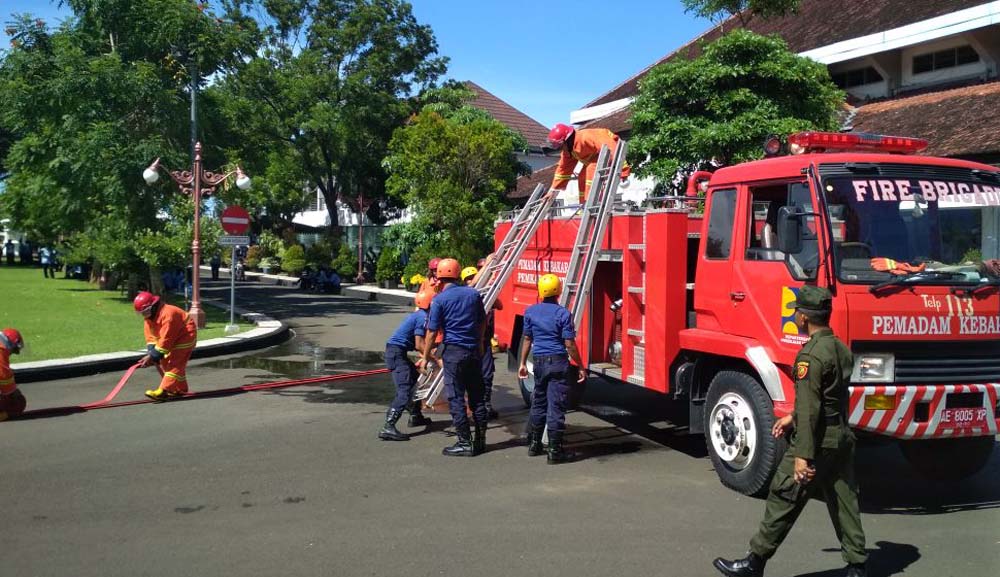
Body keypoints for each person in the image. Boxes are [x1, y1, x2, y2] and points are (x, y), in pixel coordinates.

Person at [713, 286, 866, 577]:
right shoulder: (839, 348)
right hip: (841, 438)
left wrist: (802, 457)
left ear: (805, 317)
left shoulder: (810, 356)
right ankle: (857, 567)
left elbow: (811, 408)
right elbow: (829, 397)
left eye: (796, 310)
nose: (793, 314)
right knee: (845, 501)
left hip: (816, 440)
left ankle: (753, 563)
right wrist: (792, 418)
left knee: (783, 497)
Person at [421, 258, 487, 457]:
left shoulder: (439, 300)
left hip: (453, 353)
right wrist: (481, 343)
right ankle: (480, 440)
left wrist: (425, 356)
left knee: (456, 397)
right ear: (458, 275)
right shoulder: (473, 294)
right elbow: (482, 321)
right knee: (477, 396)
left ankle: (464, 442)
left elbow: (432, 332)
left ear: (439, 278)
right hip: (473, 351)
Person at [517, 274, 585, 464]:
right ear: (559, 290)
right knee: (555, 405)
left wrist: (522, 363)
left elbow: (528, 340)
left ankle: (534, 444)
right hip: (557, 362)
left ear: (540, 291)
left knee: (538, 403)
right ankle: (555, 450)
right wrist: (580, 366)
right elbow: (569, 344)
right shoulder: (563, 314)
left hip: (538, 362)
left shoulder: (530, 312)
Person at [379, 291, 434, 441]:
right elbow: (419, 344)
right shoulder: (423, 317)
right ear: (430, 304)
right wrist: (434, 357)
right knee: (404, 390)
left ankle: (416, 415)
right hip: (396, 354)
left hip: (396, 352)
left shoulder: (419, 315)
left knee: (415, 380)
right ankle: (388, 426)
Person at [134, 291, 198, 402]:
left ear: (153, 307)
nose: (144, 316)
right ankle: (180, 388)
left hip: (185, 335)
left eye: (145, 312)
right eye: (142, 313)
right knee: (165, 362)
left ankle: (164, 390)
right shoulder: (149, 318)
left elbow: (166, 339)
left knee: (174, 364)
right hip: (171, 337)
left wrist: (153, 356)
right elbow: (151, 336)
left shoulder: (168, 314)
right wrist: (152, 353)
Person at [547, 123, 630, 204]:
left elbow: (612, 149)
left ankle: (593, 204)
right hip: (598, 157)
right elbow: (562, 170)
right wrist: (552, 190)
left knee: (591, 169)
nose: (560, 148)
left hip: (611, 151)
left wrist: (623, 173)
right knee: (582, 175)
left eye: (559, 145)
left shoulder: (586, 137)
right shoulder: (569, 150)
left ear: (567, 140)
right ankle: (584, 205)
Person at [462, 264, 500, 419]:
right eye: (468, 278)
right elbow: (473, 286)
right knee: (470, 375)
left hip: (484, 342)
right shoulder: (466, 294)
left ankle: (486, 404)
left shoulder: (484, 295)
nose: (471, 280)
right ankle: (474, 405)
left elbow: (500, 305)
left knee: (487, 374)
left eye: (473, 276)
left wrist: (491, 292)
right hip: (470, 342)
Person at [0, 328, 27, 421]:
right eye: (14, 350)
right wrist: (13, 391)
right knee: (18, 403)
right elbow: (4, 376)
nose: (12, 353)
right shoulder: (1, 351)